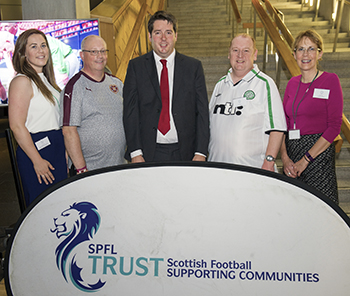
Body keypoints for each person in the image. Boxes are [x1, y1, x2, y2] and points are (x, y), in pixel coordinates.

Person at [123, 11, 209, 162]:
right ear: (149, 37)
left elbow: (201, 112)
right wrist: (135, 152)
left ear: (176, 36)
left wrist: (201, 152)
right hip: (148, 153)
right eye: (158, 32)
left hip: (186, 152)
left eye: (168, 32)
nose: (163, 38)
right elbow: (130, 112)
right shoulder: (136, 67)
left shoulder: (193, 67)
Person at [280, 29, 343, 204]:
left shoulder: (330, 80)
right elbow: (283, 125)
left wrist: (306, 159)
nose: (305, 54)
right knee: (295, 211)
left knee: (323, 211)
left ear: (320, 53)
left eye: (311, 49)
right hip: (292, 156)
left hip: (317, 156)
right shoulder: (292, 84)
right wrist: (285, 158)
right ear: (294, 54)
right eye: (300, 49)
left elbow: (334, 127)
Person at [208, 34, 286, 171]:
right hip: (217, 170)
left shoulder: (265, 84)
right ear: (229, 54)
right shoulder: (220, 85)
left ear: (255, 54)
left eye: (246, 50)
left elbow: (277, 129)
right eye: (235, 50)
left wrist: (269, 161)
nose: (240, 55)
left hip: (251, 172)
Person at [8, 29, 67, 206]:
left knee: (58, 205)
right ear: (23, 53)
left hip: (55, 147)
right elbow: (17, 126)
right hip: (37, 151)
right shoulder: (22, 81)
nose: (41, 51)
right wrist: (37, 160)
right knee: (41, 208)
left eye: (43, 46)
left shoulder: (47, 80)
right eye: (34, 46)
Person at [60, 35, 126, 175]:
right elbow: (69, 131)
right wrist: (81, 169)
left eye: (103, 51)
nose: (100, 56)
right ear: (82, 55)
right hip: (89, 171)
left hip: (119, 166)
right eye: (94, 52)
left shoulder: (117, 84)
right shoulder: (75, 87)